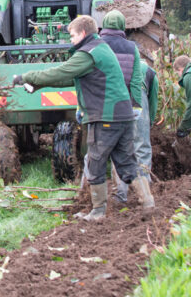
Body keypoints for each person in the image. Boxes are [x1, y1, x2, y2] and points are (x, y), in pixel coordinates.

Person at [13, 15, 154, 220]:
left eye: (72, 35)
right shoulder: (100, 49)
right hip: (122, 115)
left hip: (105, 116)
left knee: (95, 163)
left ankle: (98, 212)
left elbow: (61, 71)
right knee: (127, 163)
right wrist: (37, 85)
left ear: (83, 33)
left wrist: (25, 77)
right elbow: (71, 77)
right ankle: (148, 202)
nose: (70, 40)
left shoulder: (89, 53)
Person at [97, 10, 146, 203]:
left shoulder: (97, 46)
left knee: (94, 157)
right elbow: (135, 80)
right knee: (125, 155)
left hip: (101, 107)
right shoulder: (131, 47)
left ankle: (92, 200)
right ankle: (126, 196)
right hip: (124, 108)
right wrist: (137, 106)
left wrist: (81, 107)